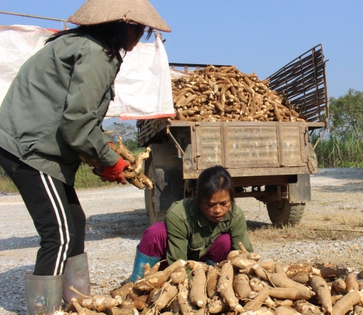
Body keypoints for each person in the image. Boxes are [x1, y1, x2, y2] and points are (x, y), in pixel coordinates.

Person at [0, 0, 170, 313]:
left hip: (38, 146)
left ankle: (77, 300)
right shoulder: (95, 53)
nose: (138, 39)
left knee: (75, 220)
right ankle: (44, 308)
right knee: (60, 233)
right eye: (141, 31)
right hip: (30, 150)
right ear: (126, 26)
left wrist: (104, 157)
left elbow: (80, 122)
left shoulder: (81, 45)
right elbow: (77, 124)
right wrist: (112, 163)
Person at [130, 165, 254, 281]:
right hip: (170, 266)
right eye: (210, 204)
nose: (218, 210)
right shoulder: (178, 215)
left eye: (224, 203)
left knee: (225, 241)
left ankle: (213, 279)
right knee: (156, 232)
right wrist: (191, 284)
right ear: (198, 199)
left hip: (206, 268)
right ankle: (137, 281)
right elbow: (177, 262)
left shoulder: (235, 215)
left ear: (232, 199)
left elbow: (245, 254)